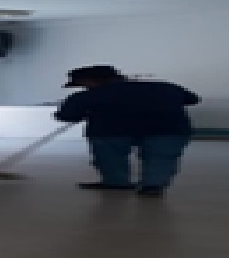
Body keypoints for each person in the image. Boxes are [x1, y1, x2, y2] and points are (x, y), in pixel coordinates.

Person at [54, 65, 200, 197]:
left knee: (109, 155)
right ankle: (153, 186)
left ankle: (116, 182)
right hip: (169, 128)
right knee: (161, 157)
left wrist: (85, 112)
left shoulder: (88, 96)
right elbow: (193, 99)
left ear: (89, 81)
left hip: (111, 131)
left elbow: (66, 116)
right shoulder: (165, 87)